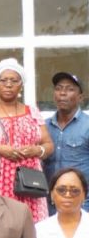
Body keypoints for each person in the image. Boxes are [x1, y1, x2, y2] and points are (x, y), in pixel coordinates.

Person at [0, 57, 54, 222]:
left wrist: (37, 150)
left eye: (14, 81)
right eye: (3, 80)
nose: (8, 85)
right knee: (1, 226)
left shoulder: (32, 112)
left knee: (32, 227)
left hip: (30, 183)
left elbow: (49, 144)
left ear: (21, 85)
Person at [43, 72, 89, 213]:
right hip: (49, 204)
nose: (62, 93)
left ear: (80, 97)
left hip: (82, 204)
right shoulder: (44, 127)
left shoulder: (87, 126)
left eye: (70, 89)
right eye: (59, 88)